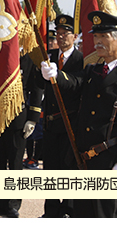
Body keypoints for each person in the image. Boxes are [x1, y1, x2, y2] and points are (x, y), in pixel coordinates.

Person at [41, 11, 117, 218]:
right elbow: (74, 82)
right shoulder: (93, 71)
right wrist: (55, 74)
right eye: (96, 37)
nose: (97, 42)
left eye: (103, 37)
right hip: (84, 159)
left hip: (108, 159)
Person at [0, 52, 42, 218]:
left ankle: (12, 204)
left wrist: (33, 118)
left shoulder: (29, 57)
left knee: (15, 163)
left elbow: (35, 89)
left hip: (17, 116)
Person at [35, 14, 84, 217]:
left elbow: (77, 84)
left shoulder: (81, 59)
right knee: (51, 168)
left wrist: (59, 76)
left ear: (75, 37)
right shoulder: (51, 56)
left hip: (70, 122)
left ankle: (69, 208)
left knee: (69, 167)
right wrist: (42, 73)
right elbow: (38, 85)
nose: (62, 38)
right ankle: (51, 209)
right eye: (59, 34)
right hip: (51, 122)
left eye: (66, 34)